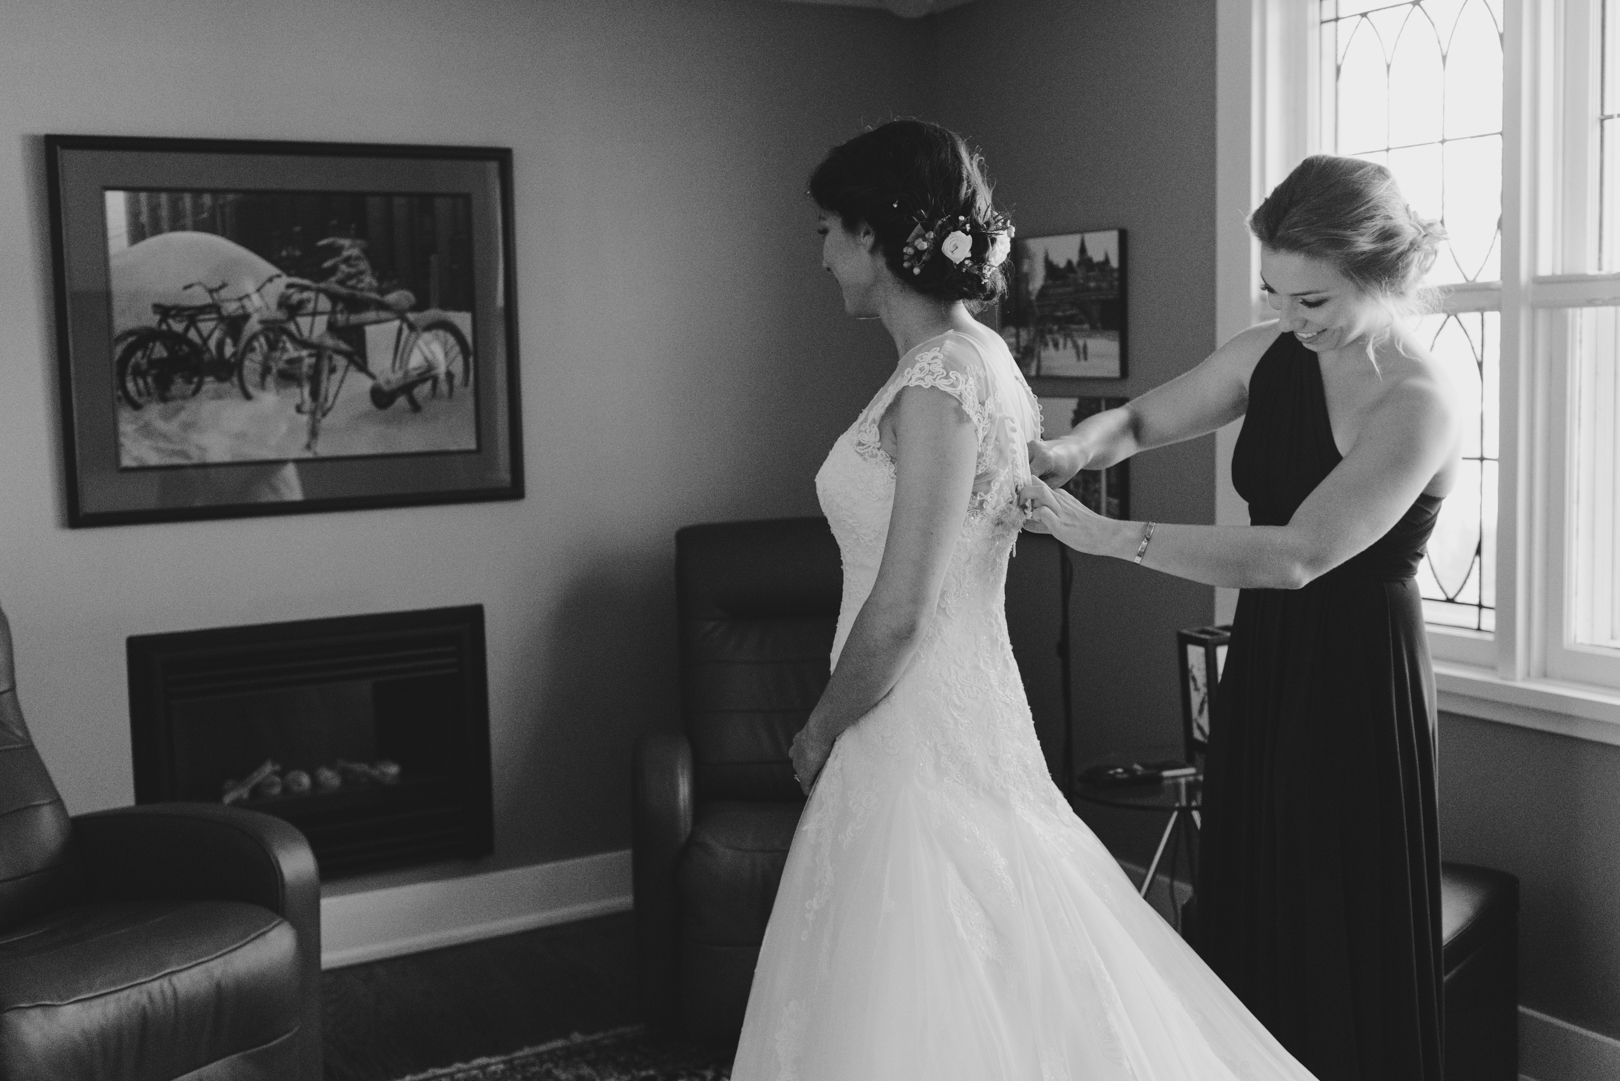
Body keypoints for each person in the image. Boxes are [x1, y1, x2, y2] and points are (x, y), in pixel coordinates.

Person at [730, 119, 1320, 1081]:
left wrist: (817, 729)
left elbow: (902, 609)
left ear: (875, 239)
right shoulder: (985, 365)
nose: (824, 253)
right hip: (954, 713)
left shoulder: (940, 382)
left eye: (830, 230)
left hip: (908, 721)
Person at [1020, 154, 1454, 1081]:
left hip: (1357, 679)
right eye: (1275, 292)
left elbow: (1296, 555)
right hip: (1267, 660)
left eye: (1314, 301)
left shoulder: (1417, 403)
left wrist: (1110, 537)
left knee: (1338, 908)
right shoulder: (1269, 355)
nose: (1290, 320)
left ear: (1382, 276)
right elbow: (1136, 422)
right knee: (1255, 894)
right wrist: (1067, 448)